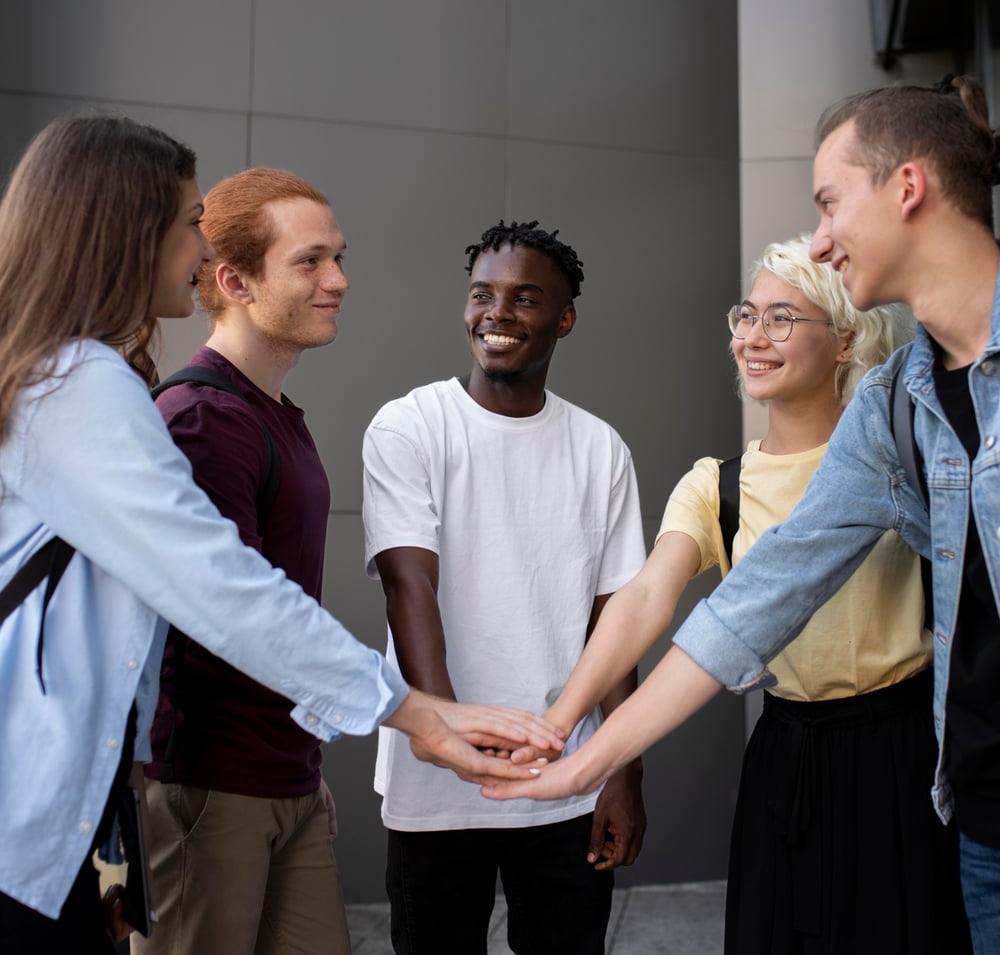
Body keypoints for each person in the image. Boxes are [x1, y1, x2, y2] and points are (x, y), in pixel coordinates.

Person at [0, 115, 562, 955]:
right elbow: (215, 586)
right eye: (188, 221)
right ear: (126, 232)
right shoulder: (85, 387)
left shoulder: (74, 379)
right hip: (81, 808)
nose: (197, 247)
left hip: (111, 803)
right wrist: (412, 711)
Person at [483, 76, 1000, 954]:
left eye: (830, 203)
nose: (824, 238)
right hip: (982, 818)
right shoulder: (894, 408)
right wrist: (580, 752)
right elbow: (752, 602)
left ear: (907, 188)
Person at [362, 220, 647, 954]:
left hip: (567, 776)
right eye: (483, 293)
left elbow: (613, 618)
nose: (497, 312)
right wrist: (448, 729)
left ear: (564, 318)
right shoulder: (409, 426)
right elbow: (407, 581)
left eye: (524, 298)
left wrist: (620, 769)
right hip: (436, 786)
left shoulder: (600, 448)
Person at [133, 168, 355, 955]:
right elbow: (233, 617)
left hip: (281, 777)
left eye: (337, 258)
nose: (338, 280)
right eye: (311, 261)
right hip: (207, 786)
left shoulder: (274, 414)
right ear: (234, 279)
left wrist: (302, 762)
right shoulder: (201, 418)